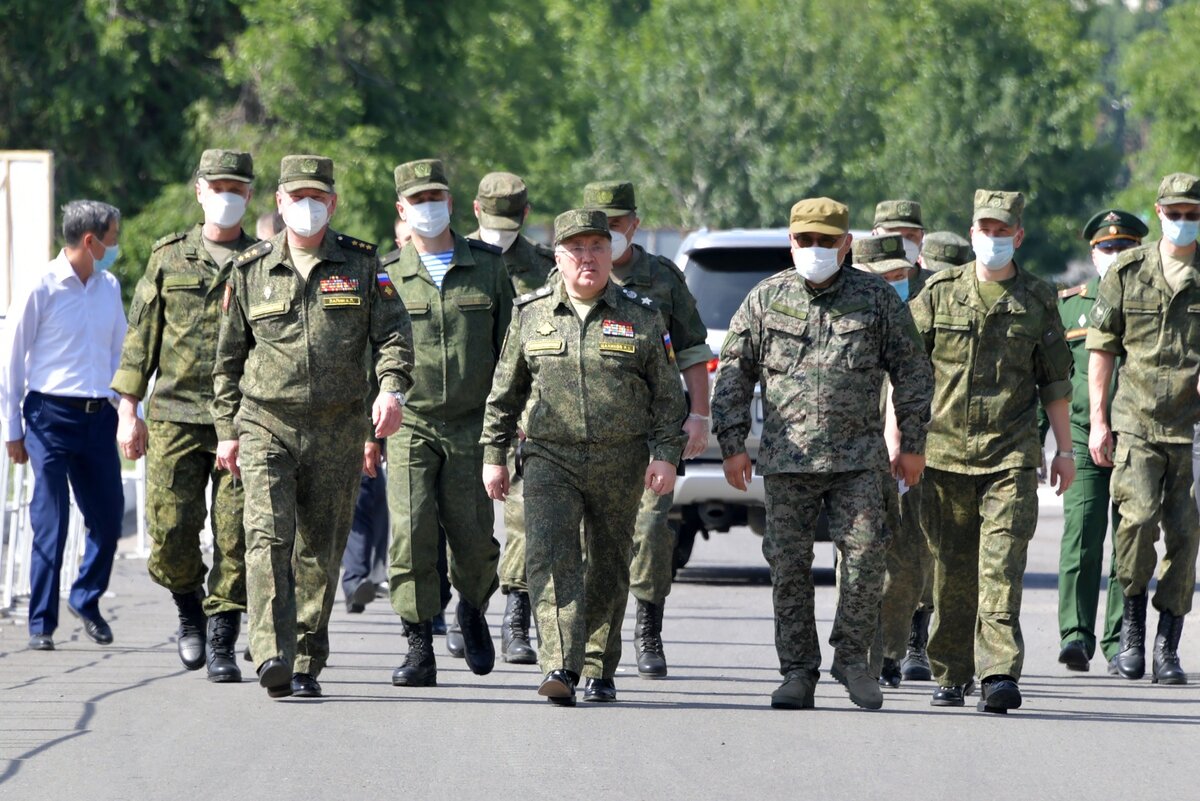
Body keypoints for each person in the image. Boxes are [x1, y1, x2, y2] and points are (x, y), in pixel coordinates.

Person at [712, 198, 933, 711]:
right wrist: (731, 445)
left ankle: (854, 661)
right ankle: (797, 671)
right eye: (805, 240)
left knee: (864, 563)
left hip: (858, 462)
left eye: (826, 241)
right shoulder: (765, 299)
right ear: (791, 243)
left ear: (846, 243)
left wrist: (913, 445)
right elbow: (734, 375)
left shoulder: (875, 299)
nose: (815, 250)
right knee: (788, 567)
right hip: (788, 462)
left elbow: (914, 373)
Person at [212, 154, 413, 699]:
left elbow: (393, 337)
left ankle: (304, 658)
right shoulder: (251, 269)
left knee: (319, 552)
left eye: (317, 198)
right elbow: (228, 359)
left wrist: (391, 390)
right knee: (267, 538)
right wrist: (227, 429)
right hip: (265, 424)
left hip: (338, 428)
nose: (306, 207)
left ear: (333, 203)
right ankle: (271, 652)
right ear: (278, 203)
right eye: (296, 197)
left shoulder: (363, 265)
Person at [481, 208, 686, 705]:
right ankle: (559, 664)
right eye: (576, 249)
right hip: (551, 457)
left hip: (622, 460)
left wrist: (665, 455)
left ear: (611, 252)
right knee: (550, 557)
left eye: (597, 247)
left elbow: (666, 397)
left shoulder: (641, 315)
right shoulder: (530, 314)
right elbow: (505, 392)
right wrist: (493, 453)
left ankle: (597, 663)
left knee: (609, 565)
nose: (588, 258)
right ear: (559, 257)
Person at [911, 189, 1075, 713]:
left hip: (1011, 454)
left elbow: (1055, 382)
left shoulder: (1038, 299)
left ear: (1018, 236)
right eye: (986, 228)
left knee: (1001, 564)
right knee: (953, 569)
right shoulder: (939, 293)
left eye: (1004, 230)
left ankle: (999, 671)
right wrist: (898, 437)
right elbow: (905, 368)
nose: (994, 238)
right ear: (972, 231)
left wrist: (1065, 450)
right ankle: (951, 671)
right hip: (944, 454)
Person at [111, 150, 256, 681]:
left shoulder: (263, 260)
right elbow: (140, 340)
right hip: (173, 414)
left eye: (236, 187)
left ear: (249, 194)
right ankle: (189, 608)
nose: (226, 195)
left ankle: (222, 634)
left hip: (241, 421)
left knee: (238, 534)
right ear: (199, 191)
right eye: (217, 185)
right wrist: (129, 410)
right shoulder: (168, 257)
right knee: (170, 532)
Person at [384, 158, 514, 688]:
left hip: (473, 425)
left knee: (474, 539)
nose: (427, 208)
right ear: (402, 209)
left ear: (452, 204)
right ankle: (418, 644)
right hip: (410, 424)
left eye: (435, 197)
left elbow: (511, 352)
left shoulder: (486, 267)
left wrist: (510, 427)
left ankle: (474, 608)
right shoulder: (388, 273)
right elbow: (373, 351)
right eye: (417, 201)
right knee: (410, 534)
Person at [581, 180, 711, 680]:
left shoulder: (662, 277)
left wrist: (697, 416)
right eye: (600, 226)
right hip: (586, 434)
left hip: (652, 433)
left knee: (652, 529)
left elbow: (694, 349)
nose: (608, 236)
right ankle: (588, 636)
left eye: (616, 226)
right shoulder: (572, 270)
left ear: (634, 224)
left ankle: (647, 625)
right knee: (590, 540)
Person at [1087, 172, 1200, 686]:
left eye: (1191, 215)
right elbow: (1102, 348)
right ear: (1158, 213)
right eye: (1173, 214)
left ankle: (1166, 645)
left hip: (1189, 429)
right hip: (1136, 423)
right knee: (1135, 525)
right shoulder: (1128, 271)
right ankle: (1131, 631)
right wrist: (1100, 422)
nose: (1181, 222)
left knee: (1186, 536)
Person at [2, 200, 126, 651]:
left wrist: (122, 407)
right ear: (90, 240)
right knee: (50, 521)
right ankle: (40, 624)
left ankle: (86, 597)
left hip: (97, 418)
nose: (116, 246)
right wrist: (12, 428)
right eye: (111, 238)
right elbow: (11, 359)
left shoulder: (109, 286)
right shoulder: (42, 285)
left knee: (109, 519)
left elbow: (119, 352)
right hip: (48, 417)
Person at [1046, 209, 1147, 674]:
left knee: (1130, 539)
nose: (1116, 255)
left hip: (1139, 436)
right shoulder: (1068, 306)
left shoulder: (1151, 304)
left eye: (1125, 247)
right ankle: (1075, 635)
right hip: (1086, 433)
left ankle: (1116, 641)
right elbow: (1048, 378)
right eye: (1107, 248)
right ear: (1093, 253)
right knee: (1083, 535)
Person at [467, 171, 556, 664]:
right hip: (461, 415)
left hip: (520, 415)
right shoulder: (455, 261)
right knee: (465, 526)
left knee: (522, 517)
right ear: (475, 211)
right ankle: (466, 608)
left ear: (525, 216)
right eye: (491, 220)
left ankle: (516, 619)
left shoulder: (545, 267)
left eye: (511, 221)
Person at [850, 233, 934, 689]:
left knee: (907, 564)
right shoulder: (842, 319)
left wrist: (907, 442)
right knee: (861, 561)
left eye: (903, 275)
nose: (898, 284)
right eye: (887, 277)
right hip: (855, 457)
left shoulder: (918, 315)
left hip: (909, 454)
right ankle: (860, 651)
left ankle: (889, 650)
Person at [342, 217, 414, 615]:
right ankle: (356, 579)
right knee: (361, 497)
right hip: (367, 412)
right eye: (402, 239)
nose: (407, 246)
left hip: (410, 411)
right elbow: (369, 356)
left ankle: (369, 575)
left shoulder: (368, 272)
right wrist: (371, 435)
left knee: (377, 499)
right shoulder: (379, 273)